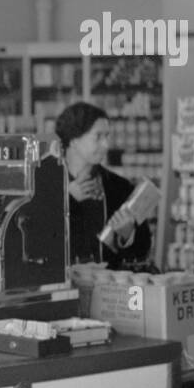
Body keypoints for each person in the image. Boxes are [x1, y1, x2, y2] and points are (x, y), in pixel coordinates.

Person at [56, 101, 151, 268]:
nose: (106, 145)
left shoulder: (120, 187)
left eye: (107, 136)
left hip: (106, 290)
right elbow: (36, 242)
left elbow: (142, 251)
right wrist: (67, 200)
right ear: (73, 140)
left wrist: (128, 235)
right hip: (61, 290)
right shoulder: (45, 184)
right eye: (98, 137)